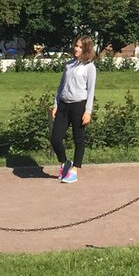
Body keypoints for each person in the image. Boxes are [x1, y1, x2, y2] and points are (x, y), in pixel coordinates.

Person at [50, 36, 97, 183]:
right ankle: (64, 163)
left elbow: (91, 91)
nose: (76, 49)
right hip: (64, 105)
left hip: (79, 105)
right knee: (55, 138)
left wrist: (88, 111)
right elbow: (61, 86)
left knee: (78, 139)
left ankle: (75, 171)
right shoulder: (69, 64)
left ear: (86, 49)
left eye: (80, 47)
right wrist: (56, 104)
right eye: (76, 46)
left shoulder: (90, 67)